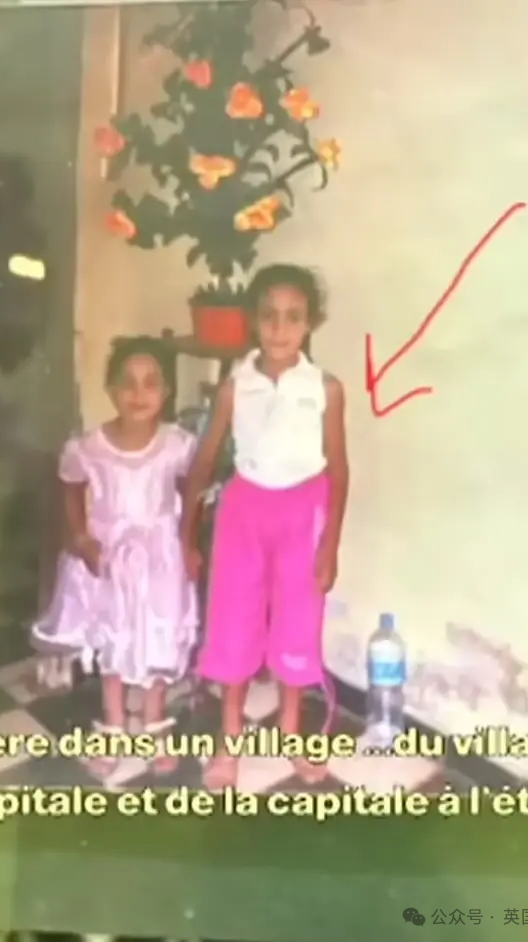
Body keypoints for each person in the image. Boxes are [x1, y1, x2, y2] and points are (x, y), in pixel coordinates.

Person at [180, 264, 349, 789]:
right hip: (244, 512)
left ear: (310, 323)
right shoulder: (236, 386)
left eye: (293, 317)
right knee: (233, 621)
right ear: (253, 320)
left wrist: (330, 546)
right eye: (269, 316)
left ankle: (291, 730)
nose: (280, 328)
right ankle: (229, 739)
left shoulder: (325, 388)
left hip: (303, 512)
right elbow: (205, 460)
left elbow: (339, 469)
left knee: (298, 621)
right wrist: (187, 536)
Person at [32, 335, 197, 779]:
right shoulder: (89, 446)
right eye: (127, 382)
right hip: (109, 557)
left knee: (159, 634)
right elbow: (71, 487)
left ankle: (154, 717)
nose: (138, 393)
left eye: (150, 383)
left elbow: (191, 494)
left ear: (166, 391)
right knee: (113, 635)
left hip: (161, 558)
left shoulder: (178, 445)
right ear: (110, 389)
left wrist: (189, 542)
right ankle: (114, 722)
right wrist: (80, 536)